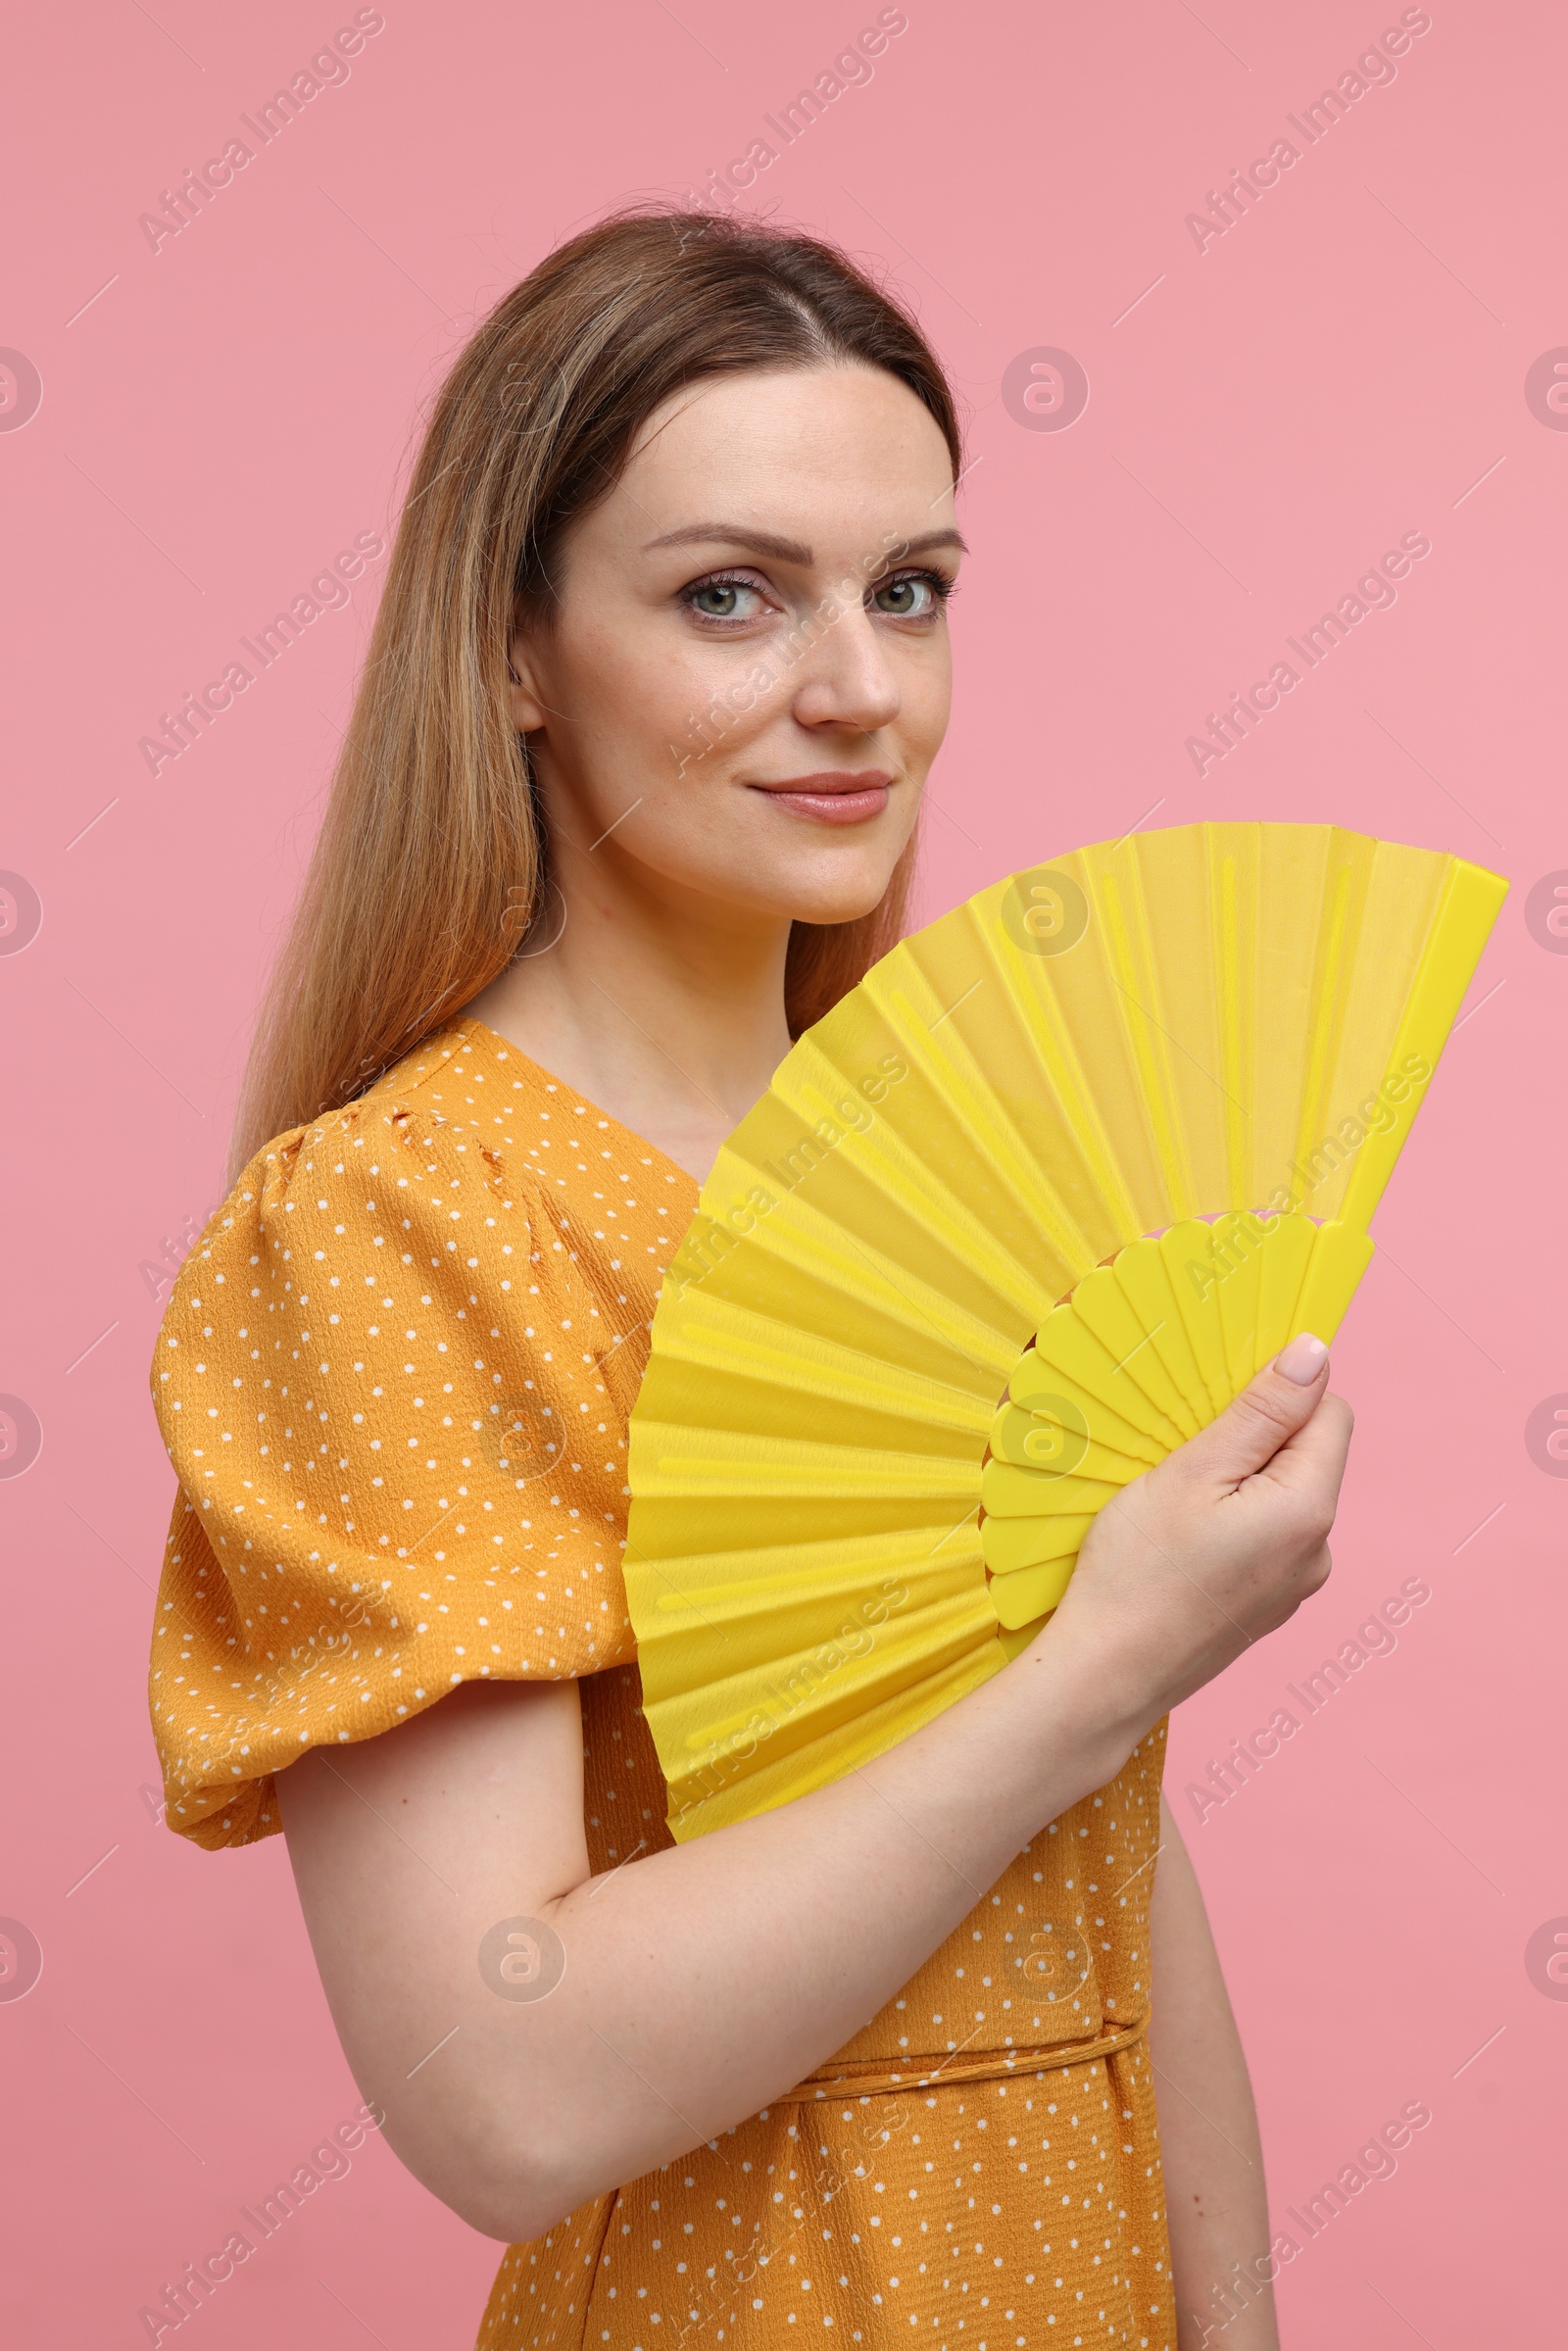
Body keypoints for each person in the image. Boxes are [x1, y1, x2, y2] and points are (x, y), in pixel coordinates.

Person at [147, 208, 1351, 2351]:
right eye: (730, 596)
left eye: (909, 592)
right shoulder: (405, 1225)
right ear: (510, 653)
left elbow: (1110, 1897)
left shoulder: (971, 1182)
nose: (857, 690)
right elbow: (500, 2093)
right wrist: (1096, 1665)